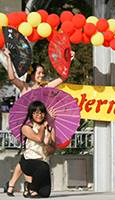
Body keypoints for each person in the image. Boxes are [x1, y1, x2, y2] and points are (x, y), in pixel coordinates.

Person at [3, 47, 74, 196]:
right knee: (29, 153)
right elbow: (11, 78)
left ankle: (16, 185)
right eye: (39, 73)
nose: (42, 75)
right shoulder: (25, 87)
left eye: (43, 73)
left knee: (29, 156)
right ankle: (24, 186)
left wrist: (68, 61)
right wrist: (8, 58)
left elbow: (63, 78)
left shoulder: (45, 88)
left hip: (42, 124)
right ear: (32, 74)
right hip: (27, 125)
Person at [19, 100, 56, 198]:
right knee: (43, 166)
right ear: (31, 114)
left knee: (45, 194)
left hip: (43, 161)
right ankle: (32, 188)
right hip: (28, 161)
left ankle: (29, 186)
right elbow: (39, 138)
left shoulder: (50, 128)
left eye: (41, 112)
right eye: (35, 113)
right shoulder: (26, 127)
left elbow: (52, 150)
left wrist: (48, 144)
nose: (39, 115)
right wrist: (43, 127)